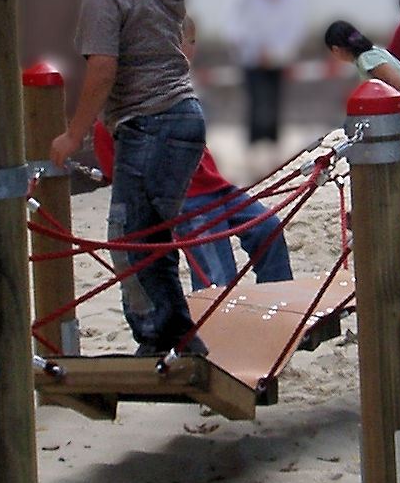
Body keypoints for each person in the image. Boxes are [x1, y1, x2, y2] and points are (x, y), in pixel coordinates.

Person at [48, 0, 209, 357]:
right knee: (148, 232)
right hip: (184, 114)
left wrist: (72, 135)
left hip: (150, 122)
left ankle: (164, 339)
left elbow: (102, 69)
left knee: (131, 236)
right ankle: (173, 338)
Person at [92, 16, 292, 289]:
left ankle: (276, 302)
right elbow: (108, 143)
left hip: (213, 185)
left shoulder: (175, 85)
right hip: (186, 198)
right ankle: (216, 328)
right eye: (190, 42)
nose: (193, 50)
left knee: (267, 228)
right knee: (218, 277)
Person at [324, 20, 400, 226]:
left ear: (336, 49)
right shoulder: (373, 52)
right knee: (395, 183)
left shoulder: (366, 59)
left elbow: (397, 84)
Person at [231, 0, 305, 146]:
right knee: (255, 99)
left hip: (277, 58)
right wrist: (253, 48)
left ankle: (273, 141)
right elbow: (237, 23)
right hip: (251, 56)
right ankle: (254, 141)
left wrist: (277, 52)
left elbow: (294, 27)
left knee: (275, 99)